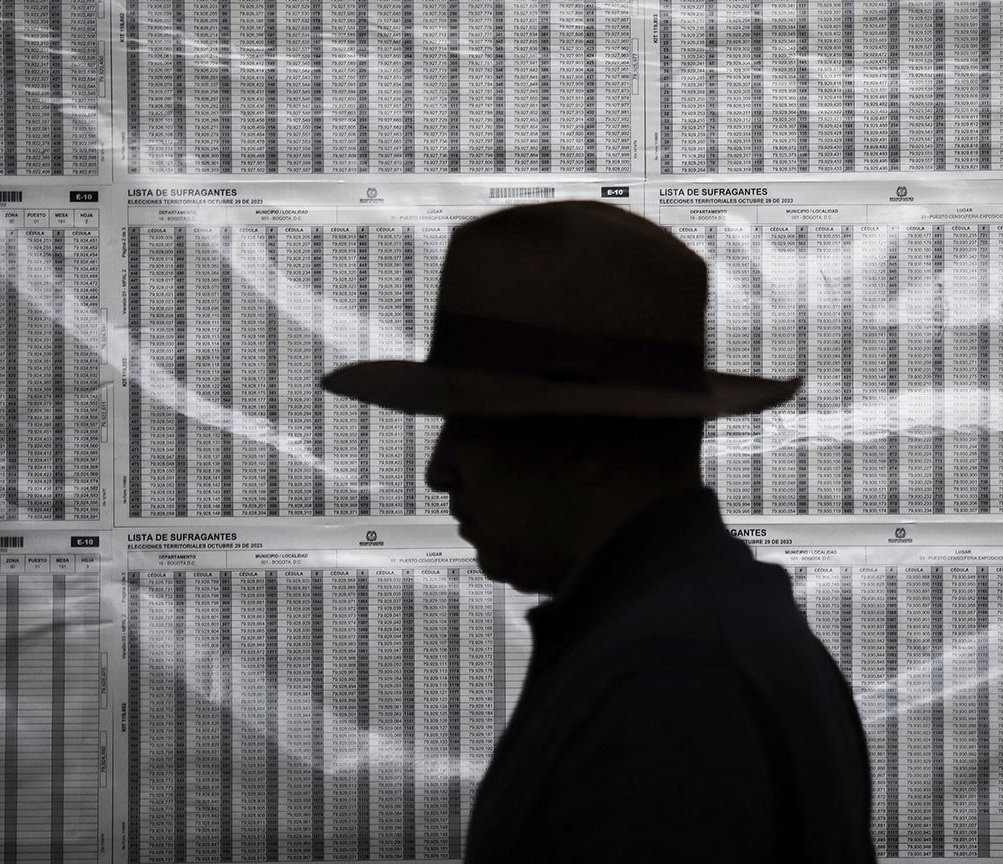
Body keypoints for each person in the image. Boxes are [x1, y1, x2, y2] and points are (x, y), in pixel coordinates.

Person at [322, 200, 877, 864]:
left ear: (588, 441)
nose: (438, 473)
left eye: (470, 425)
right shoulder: (693, 636)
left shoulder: (673, 686)